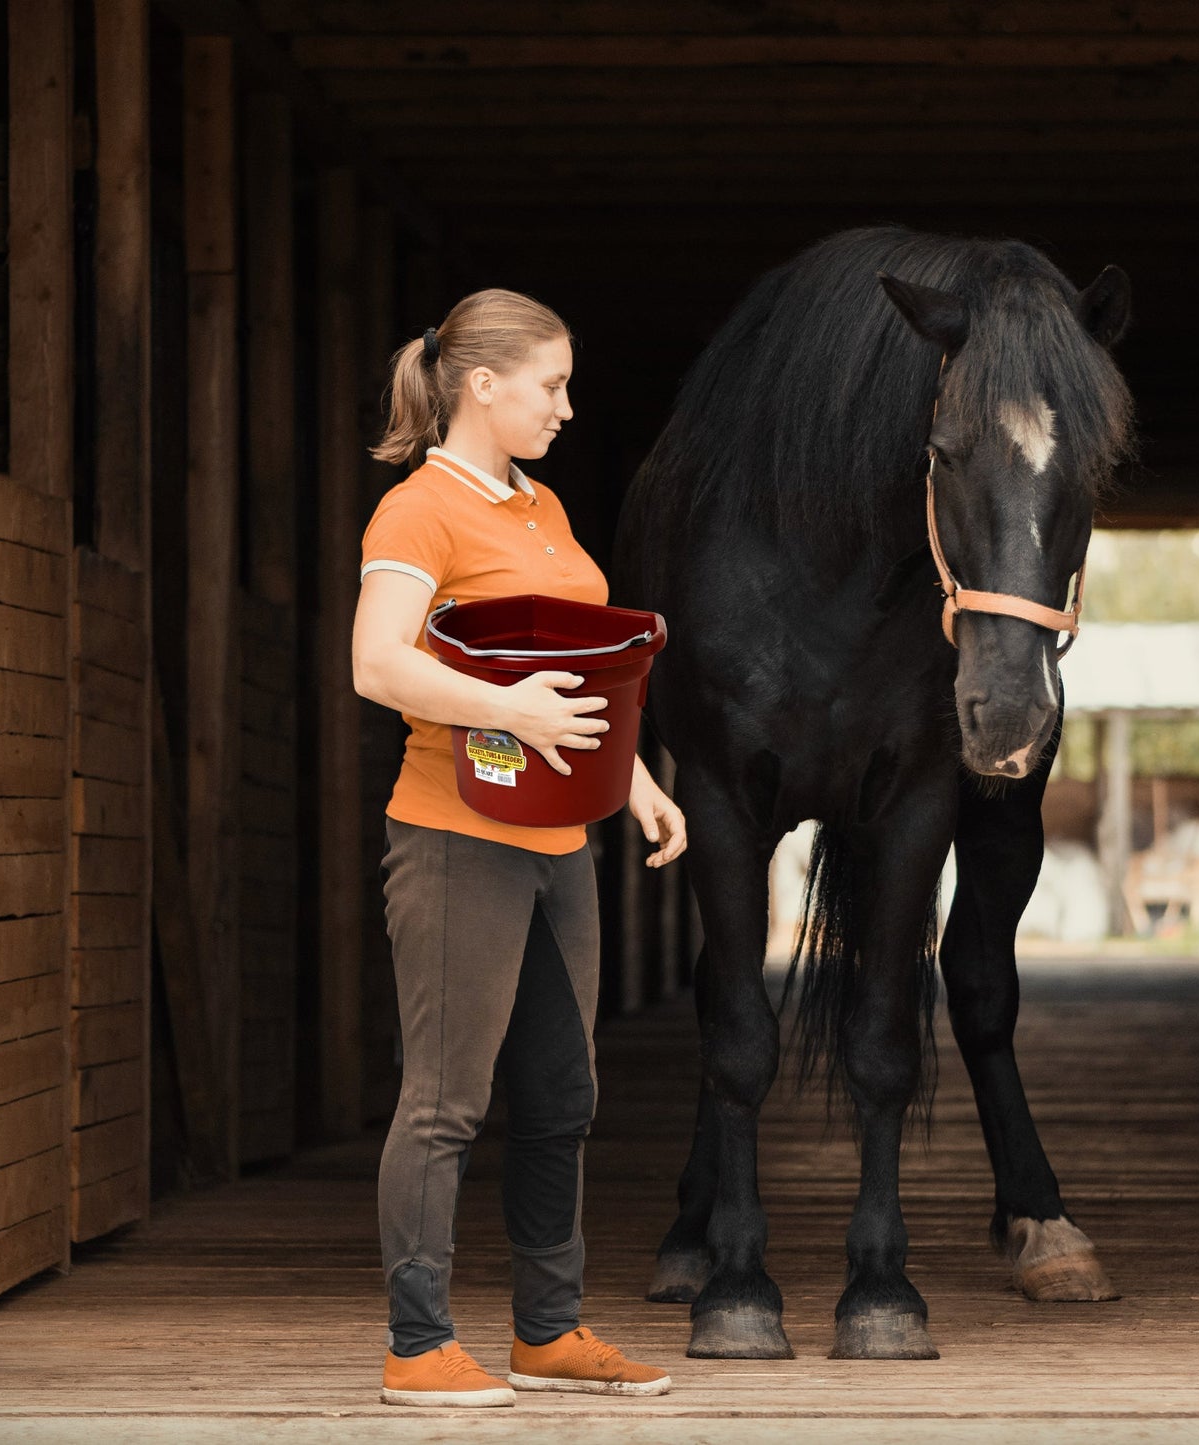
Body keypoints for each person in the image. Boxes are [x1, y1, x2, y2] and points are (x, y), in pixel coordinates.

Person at [352, 288, 686, 1408]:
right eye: (551, 384)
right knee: (445, 1099)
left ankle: (547, 1331)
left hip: (558, 838)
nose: (567, 405)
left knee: (559, 1094)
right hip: (456, 836)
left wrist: (633, 780)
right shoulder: (417, 512)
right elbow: (379, 664)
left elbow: (578, 671)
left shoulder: (539, 505)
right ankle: (418, 1344)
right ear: (482, 386)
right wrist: (506, 713)